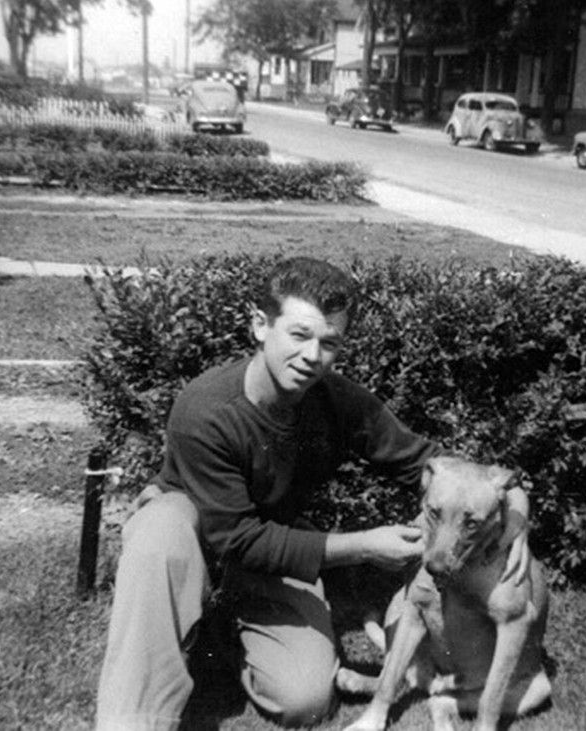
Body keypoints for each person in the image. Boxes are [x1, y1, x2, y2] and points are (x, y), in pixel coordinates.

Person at [96, 257, 441, 730]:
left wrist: (489, 499)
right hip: (190, 539)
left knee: (305, 701)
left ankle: (215, 630)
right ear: (260, 325)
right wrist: (364, 545)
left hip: (263, 553)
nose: (312, 357)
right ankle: (135, 717)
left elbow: (426, 464)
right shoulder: (206, 408)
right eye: (299, 335)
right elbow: (235, 538)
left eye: (329, 343)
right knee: (161, 534)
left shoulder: (338, 401)